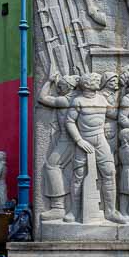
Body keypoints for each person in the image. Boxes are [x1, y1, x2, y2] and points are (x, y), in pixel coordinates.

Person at [65, 72, 126, 224]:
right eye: (94, 79)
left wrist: (125, 93)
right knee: (78, 175)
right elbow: (69, 122)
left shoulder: (102, 99)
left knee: (110, 172)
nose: (98, 80)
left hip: (100, 140)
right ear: (86, 84)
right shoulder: (78, 101)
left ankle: (110, 211)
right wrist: (79, 140)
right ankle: (74, 211)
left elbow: (114, 114)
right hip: (84, 140)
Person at [38, 73, 80, 221]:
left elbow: (42, 98)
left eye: (61, 85)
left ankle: (58, 207)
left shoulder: (64, 100)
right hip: (67, 138)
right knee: (58, 167)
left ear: (68, 87)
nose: (58, 87)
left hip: (67, 139)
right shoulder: (76, 97)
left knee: (52, 166)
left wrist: (49, 81)